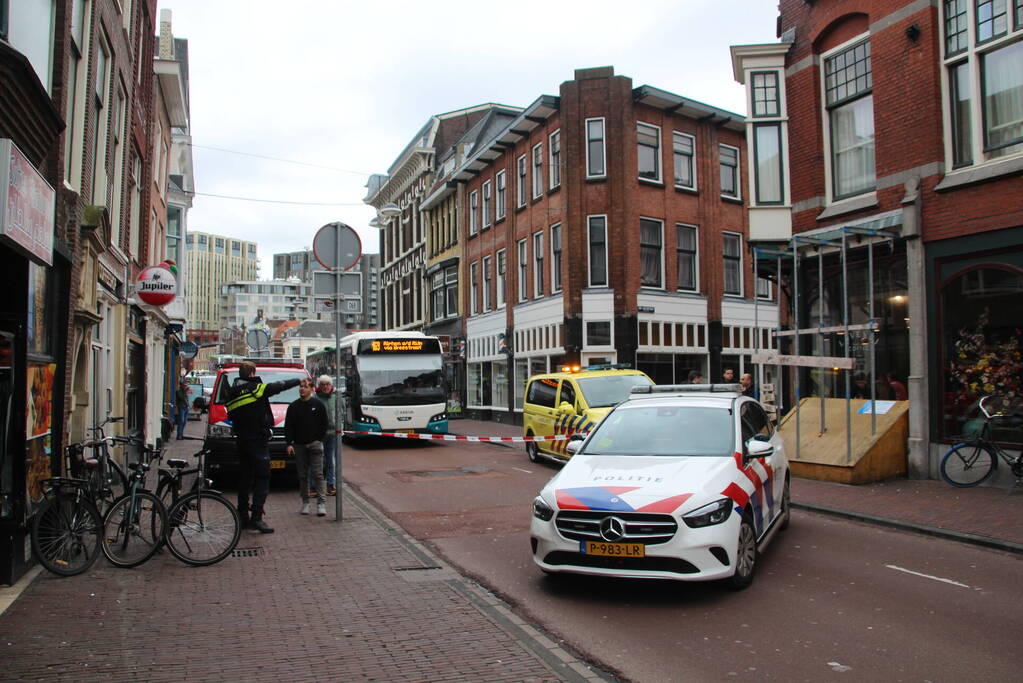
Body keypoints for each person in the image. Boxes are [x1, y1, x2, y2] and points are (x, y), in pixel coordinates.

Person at [225, 361, 301, 533]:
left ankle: (242, 514)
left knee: (245, 478)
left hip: (242, 439)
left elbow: (231, 414)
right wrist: (297, 381)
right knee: (263, 476)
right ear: (252, 373)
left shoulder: (232, 392)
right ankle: (257, 517)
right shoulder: (255, 388)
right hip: (257, 440)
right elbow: (278, 386)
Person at [286, 378, 329, 517]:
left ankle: (321, 504)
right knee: (302, 475)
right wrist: (289, 443)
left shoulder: (318, 405)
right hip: (299, 445)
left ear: (311, 389)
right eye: (300, 386)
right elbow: (289, 426)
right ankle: (305, 502)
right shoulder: (293, 406)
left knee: (318, 474)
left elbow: (324, 423)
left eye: (305, 387)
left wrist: (318, 439)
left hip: (314, 444)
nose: (302, 389)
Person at [312, 375, 338, 497]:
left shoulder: (336, 397)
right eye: (323, 384)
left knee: (330, 460)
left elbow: (340, 413)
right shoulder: (315, 398)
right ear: (319, 386)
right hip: (318, 435)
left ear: (331, 385)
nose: (325, 387)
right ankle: (313, 487)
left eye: (327, 384)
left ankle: (330, 485)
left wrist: (340, 428)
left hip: (333, 434)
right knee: (317, 460)